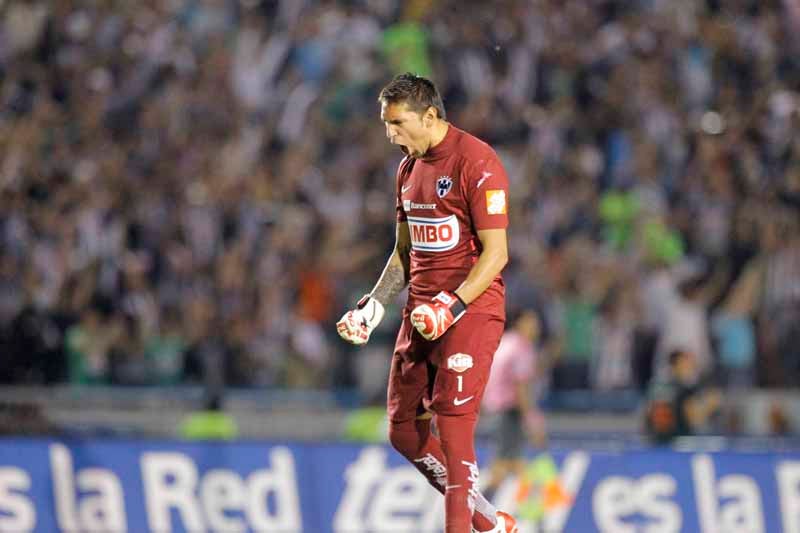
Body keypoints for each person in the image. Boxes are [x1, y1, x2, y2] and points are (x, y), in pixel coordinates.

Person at [337, 73, 517, 533]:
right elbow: (404, 252)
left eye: (397, 123)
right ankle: (490, 523)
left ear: (430, 116)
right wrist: (373, 306)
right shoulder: (407, 170)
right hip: (419, 315)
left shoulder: (478, 162)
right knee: (404, 432)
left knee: (454, 428)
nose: (389, 134)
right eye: (386, 123)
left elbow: (497, 254)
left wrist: (450, 306)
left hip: (469, 312)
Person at [481, 308, 547, 502]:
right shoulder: (522, 348)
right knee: (506, 465)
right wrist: (533, 421)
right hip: (509, 411)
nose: (536, 327)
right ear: (520, 323)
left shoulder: (505, 342)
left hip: (495, 408)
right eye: (531, 321)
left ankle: (535, 506)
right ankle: (474, 509)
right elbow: (521, 389)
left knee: (509, 462)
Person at [644, 348, 721, 445]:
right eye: (684, 363)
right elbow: (694, 418)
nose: (689, 367)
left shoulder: (659, 386)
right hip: (675, 442)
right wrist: (709, 405)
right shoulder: (676, 388)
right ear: (675, 366)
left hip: (664, 441)